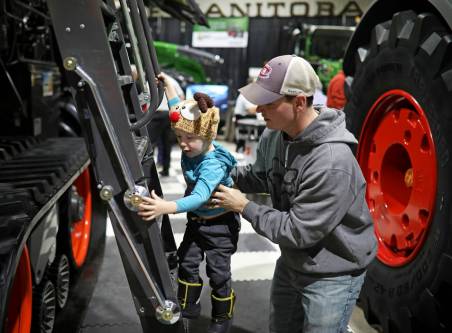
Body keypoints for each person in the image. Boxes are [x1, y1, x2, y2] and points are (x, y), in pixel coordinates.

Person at [210, 55, 377, 333]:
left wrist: (244, 206)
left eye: (269, 102)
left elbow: (298, 231)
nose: (259, 108)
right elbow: (262, 176)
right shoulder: (275, 134)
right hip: (292, 261)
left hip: (334, 271)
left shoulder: (331, 160)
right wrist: (223, 174)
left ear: (299, 102)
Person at [138, 74, 240, 333]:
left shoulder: (211, 164)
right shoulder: (193, 141)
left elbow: (200, 196)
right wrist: (168, 85)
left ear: (208, 135)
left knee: (218, 273)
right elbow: (176, 107)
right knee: (187, 261)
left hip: (220, 225)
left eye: (189, 139)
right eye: (179, 137)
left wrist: (167, 207)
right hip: (198, 221)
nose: (183, 144)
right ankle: (188, 304)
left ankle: (222, 316)